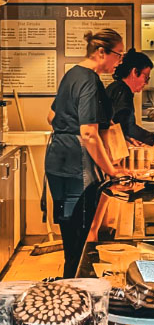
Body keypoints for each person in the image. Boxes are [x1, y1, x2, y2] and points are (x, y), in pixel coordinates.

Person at [45, 29, 123, 278]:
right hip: (76, 165)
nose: (119, 61)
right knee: (80, 238)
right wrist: (112, 171)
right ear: (102, 52)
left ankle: (70, 287)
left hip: (58, 160)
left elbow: (51, 116)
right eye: (118, 55)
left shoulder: (71, 74)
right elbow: (89, 134)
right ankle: (77, 293)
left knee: (70, 235)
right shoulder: (89, 79)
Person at [107, 49, 154, 150]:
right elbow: (128, 127)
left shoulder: (117, 88)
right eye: (146, 77)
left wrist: (128, 137)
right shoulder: (123, 91)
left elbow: (119, 124)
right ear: (134, 72)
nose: (146, 83)